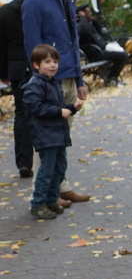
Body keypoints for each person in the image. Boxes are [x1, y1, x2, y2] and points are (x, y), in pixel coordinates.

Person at [22, 0, 90, 206]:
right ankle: (49, 192)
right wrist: (42, 83)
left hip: (70, 76)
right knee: (50, 139)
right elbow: (33, 47)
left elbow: (73, 42)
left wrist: (80, 80)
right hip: (49, 81)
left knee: (62, 138)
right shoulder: (35, 1)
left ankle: (58, 186)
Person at [23, 45, 83, 219]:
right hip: (45, 135)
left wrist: (72, 107)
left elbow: (59, 108)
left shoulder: (53, 82)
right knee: (47, 170)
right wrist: (58, 112)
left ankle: (51, 200)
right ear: (36, 65)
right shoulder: (34, 85)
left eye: (55, 62)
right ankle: (38, 204)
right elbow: (36, 108)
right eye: (47, 62)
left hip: (58, 134)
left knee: (59, 168)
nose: (52, 65)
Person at [0, 0, 37, 179]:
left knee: (21, 114)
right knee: (42, 111)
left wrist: (3, 71)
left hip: (16, 66)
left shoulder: (5, 12)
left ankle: (24, 162)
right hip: (38, 64)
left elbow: (1, 46)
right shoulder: (35, 7)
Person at [76, 4, 128, 86]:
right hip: (93, 54)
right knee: (122, 56)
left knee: (122, 53)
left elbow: (101, 32)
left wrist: (94, 21)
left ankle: (111, 77)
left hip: (101, 49)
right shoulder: (80, 24)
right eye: (88, 12)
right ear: (81, 13)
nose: (90, 13)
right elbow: (84, 31)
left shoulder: (90, 22)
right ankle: (111, 78)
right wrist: (82, 18)